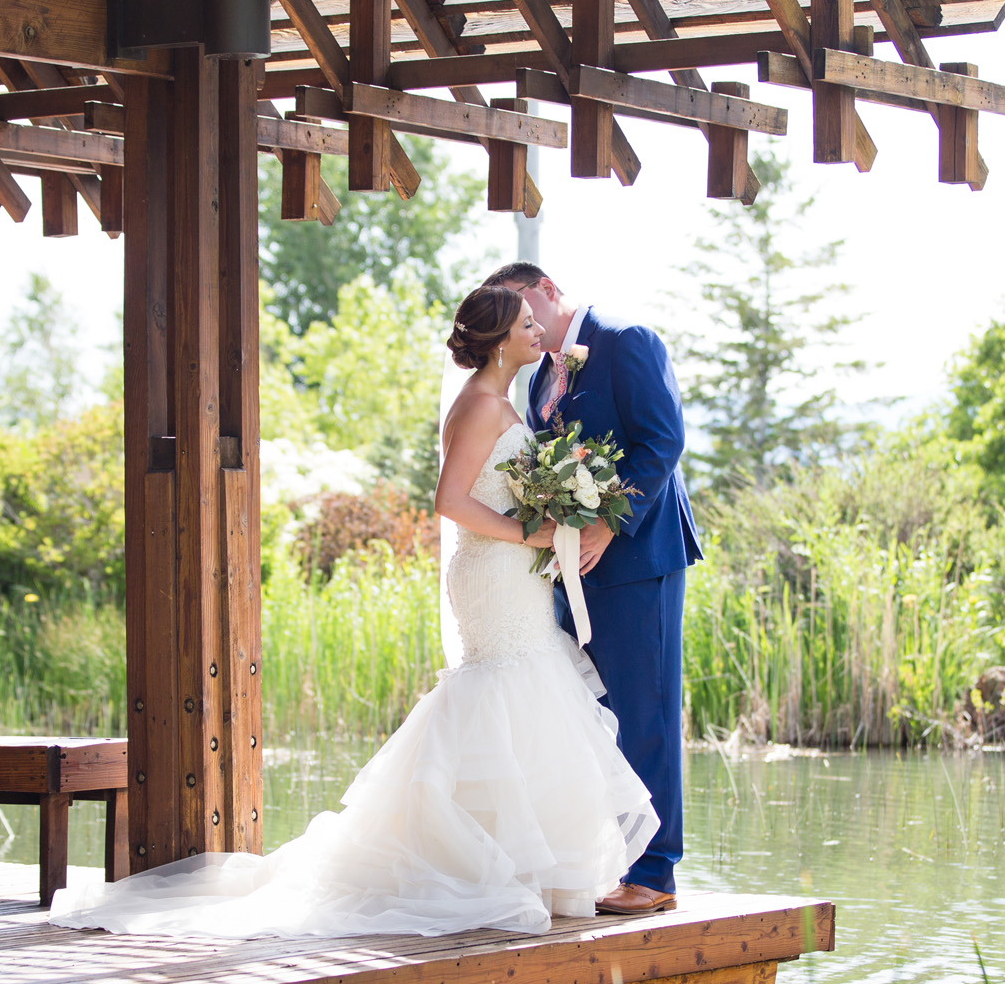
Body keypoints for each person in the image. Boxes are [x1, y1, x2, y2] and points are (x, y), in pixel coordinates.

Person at [47, 285, 658, 938]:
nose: (539, 332)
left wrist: (558, 507)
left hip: (516, 577)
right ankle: (485, 867)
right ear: (500, 338)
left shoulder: (503, 401)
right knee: (506, 688)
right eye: (527, 324)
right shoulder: (481, 406)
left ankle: (523, 869)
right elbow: (449, 500)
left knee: (527, 697)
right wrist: (529, 534)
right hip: (495, 573)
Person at [485, 262, 701, 916]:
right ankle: (608, 860)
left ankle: (656, 874)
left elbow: (663, 440)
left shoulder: (626, 338)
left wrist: (608, 523)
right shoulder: (543, 377)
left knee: (646, 712)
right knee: (589, 713)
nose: (522, 325)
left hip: (640, 557)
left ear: (550, 291)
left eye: (525, 310)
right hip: (576, 566)